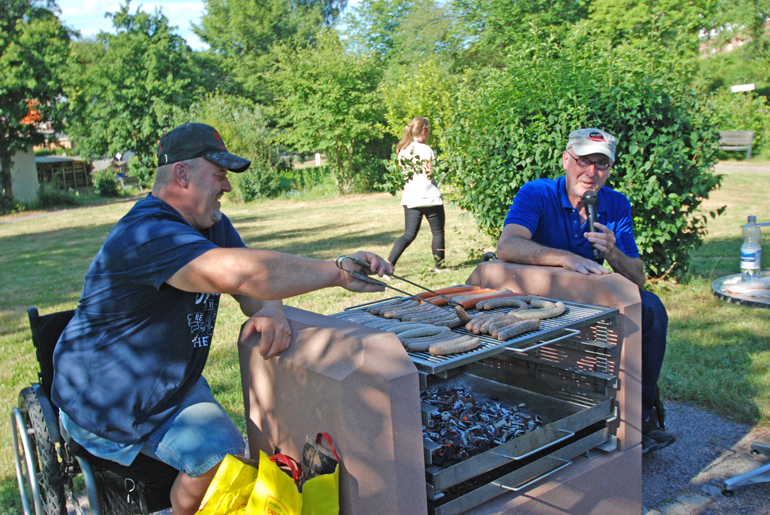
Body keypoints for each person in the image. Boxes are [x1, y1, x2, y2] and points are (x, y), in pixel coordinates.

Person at [51, 122, 393, 514]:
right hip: (108, 402)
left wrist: (271, 309)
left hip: (169, 388)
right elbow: (244, 275)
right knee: (220, 462)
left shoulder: (211, 226)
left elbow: (254, 289)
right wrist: (337, 272)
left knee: (229, 460)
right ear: (182, 175)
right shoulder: (147, 232)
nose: (227, 187)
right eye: (218, 175)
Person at [496, 127, 675, 455]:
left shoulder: (616, 204)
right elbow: (507, 246)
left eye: (601, 164)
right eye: (583, 161)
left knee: (649, 308)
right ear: (566, 159)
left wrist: (613, 253)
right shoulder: (537, 193)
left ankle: (641, 416)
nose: (591, 173)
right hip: (544, 294)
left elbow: (638, 278)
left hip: (594, 294)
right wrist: (564, 258)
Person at [387, 117, 447, 271]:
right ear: (424, 131)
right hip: (430, 198)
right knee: (438, 232)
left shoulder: (402, 150)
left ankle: (389, 264)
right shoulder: (426, 149)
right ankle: (439, 267)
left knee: (408, 234)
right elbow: (429, 174)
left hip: (411, 198)